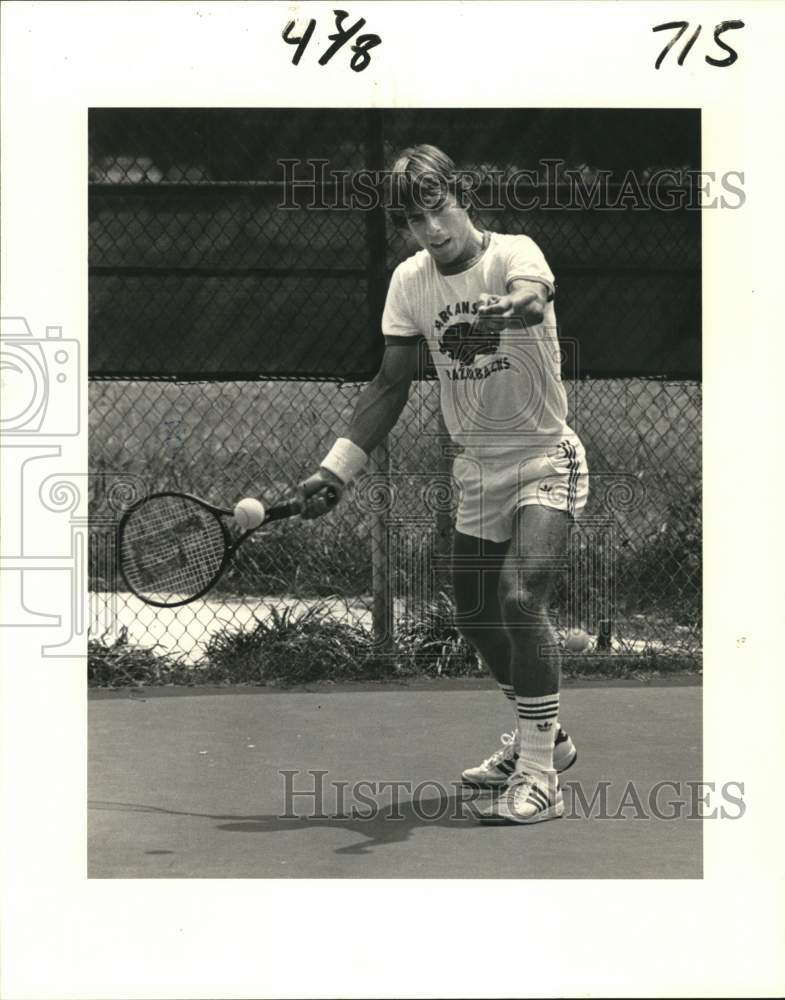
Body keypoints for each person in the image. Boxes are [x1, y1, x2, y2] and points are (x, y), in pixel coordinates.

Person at [299, 144, 588, 824]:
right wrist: (335, 470)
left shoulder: (514, 252)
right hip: (476, 468)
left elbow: (532, 296)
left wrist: (510, 310)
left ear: (458, 193)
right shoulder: (410, 282)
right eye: (412, 219)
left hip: (546, 454)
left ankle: (540, 778)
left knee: (519, 599)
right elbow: (389, 384)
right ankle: (541, 739)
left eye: (436, 208)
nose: (430, 229)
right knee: (476, 616)